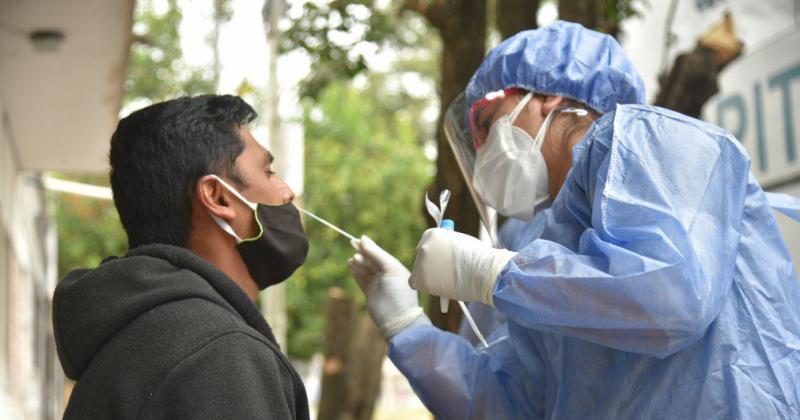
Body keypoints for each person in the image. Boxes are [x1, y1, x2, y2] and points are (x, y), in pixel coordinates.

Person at [349, 21, 800, 418]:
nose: (482, 147)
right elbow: (519, 406)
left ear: (545, 96)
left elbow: (671, 298)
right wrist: (408, 327)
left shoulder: (645, 138)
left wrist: (491, 272)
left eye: (486, 122)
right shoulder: (550, 248)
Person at [53, 95, 310, 419]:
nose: (287, 192)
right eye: (268, 171)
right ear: (218, 197)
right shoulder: (221, 354)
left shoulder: (137, 335)